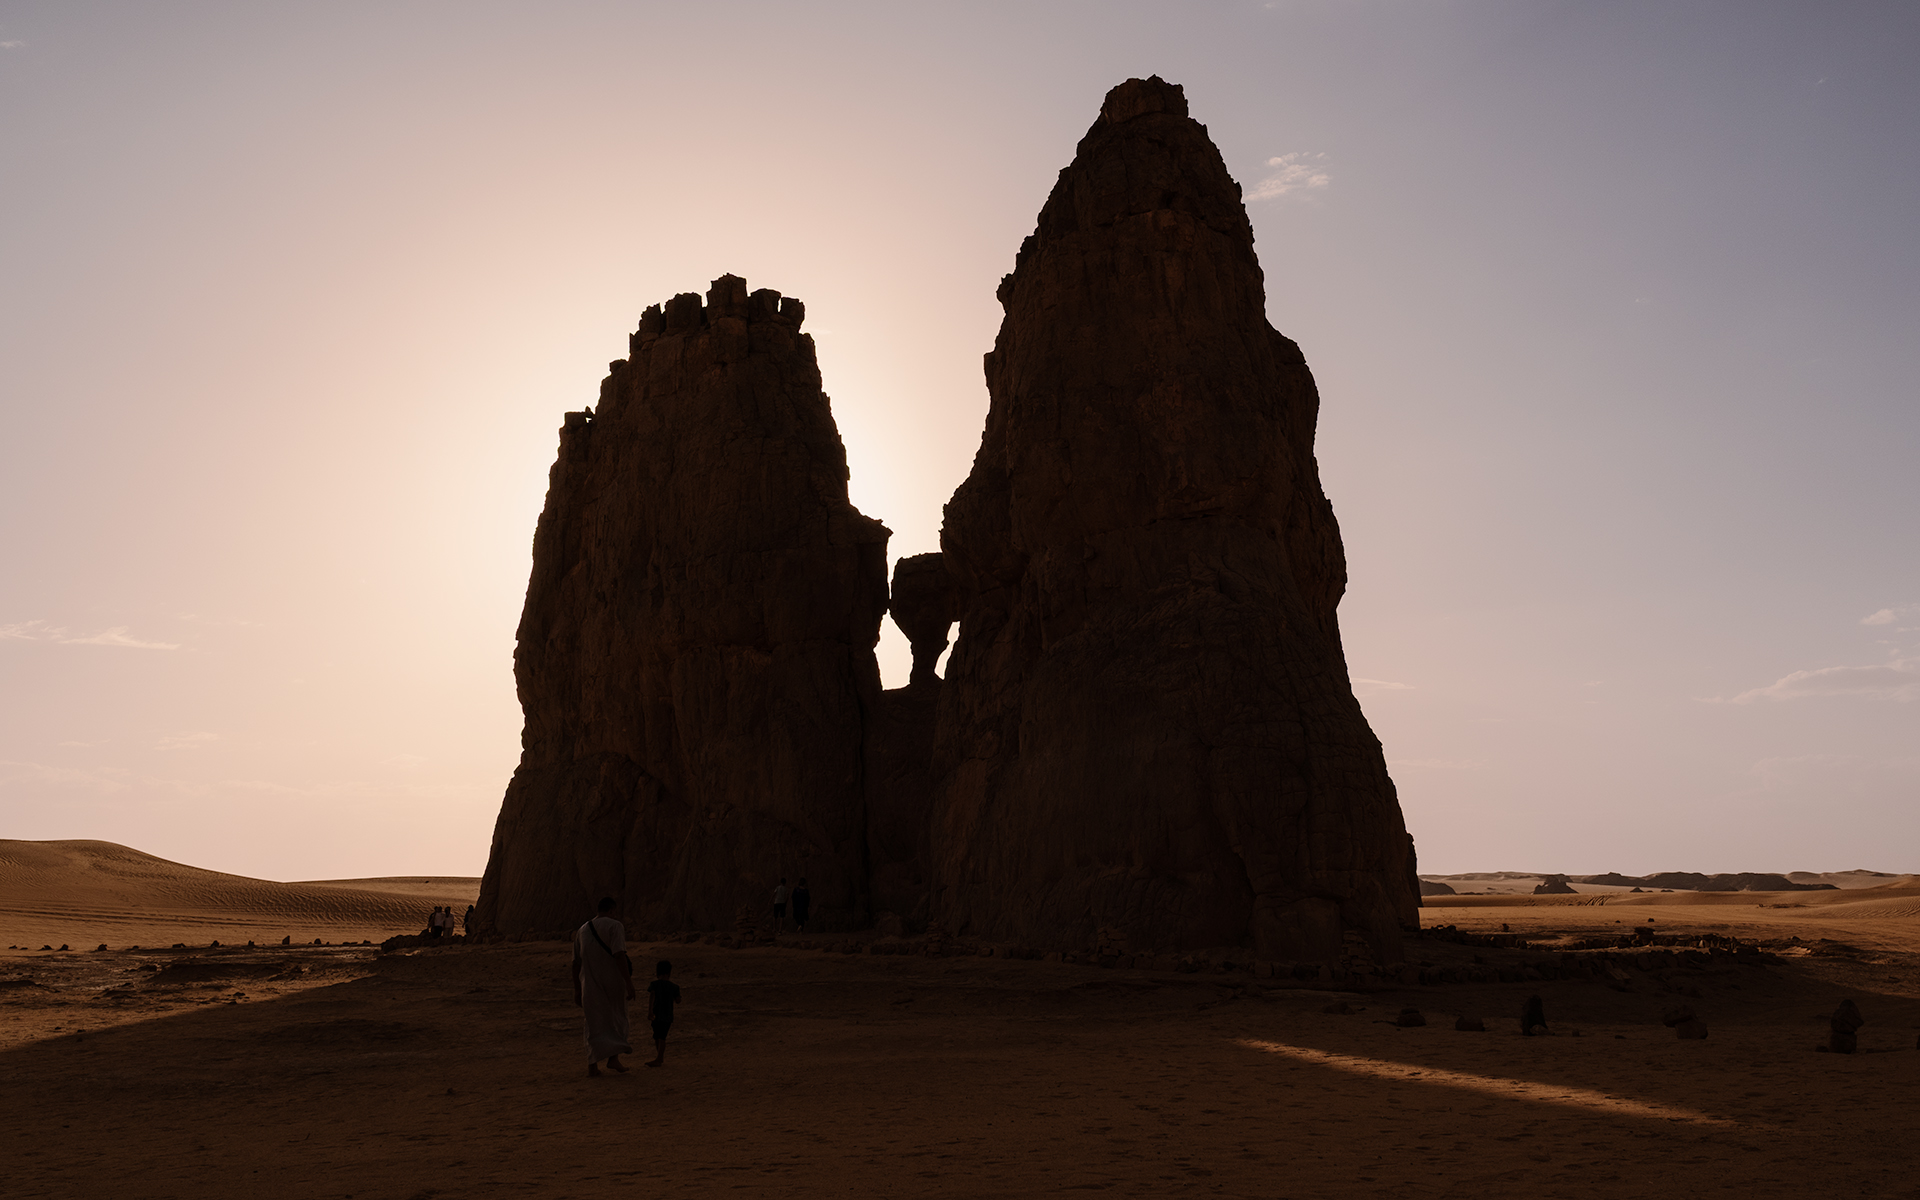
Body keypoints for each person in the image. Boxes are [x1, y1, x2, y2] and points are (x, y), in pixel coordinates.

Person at [572, 897, 635, 1077]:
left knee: (592, 1023)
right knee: (617, 1018)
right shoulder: (615, 926)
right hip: (613, 983)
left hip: (589, 985)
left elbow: (575, 963)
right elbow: (619, 955)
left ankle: (592, 1065)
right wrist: (628, 982)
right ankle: (613, 1059)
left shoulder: (582, 930)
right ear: (612, 910)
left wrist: (577, 989)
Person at [645, 960, 681, 1068]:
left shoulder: (654, 984)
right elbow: (678, 1000)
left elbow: (652, 996)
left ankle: (659, 1057)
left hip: (656, 1013)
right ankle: (659, 1057)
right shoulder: (674, 987)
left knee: (657, 1036)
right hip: (667, 1014)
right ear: (669, 973)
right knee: (662, 1036)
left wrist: (650, 1011)